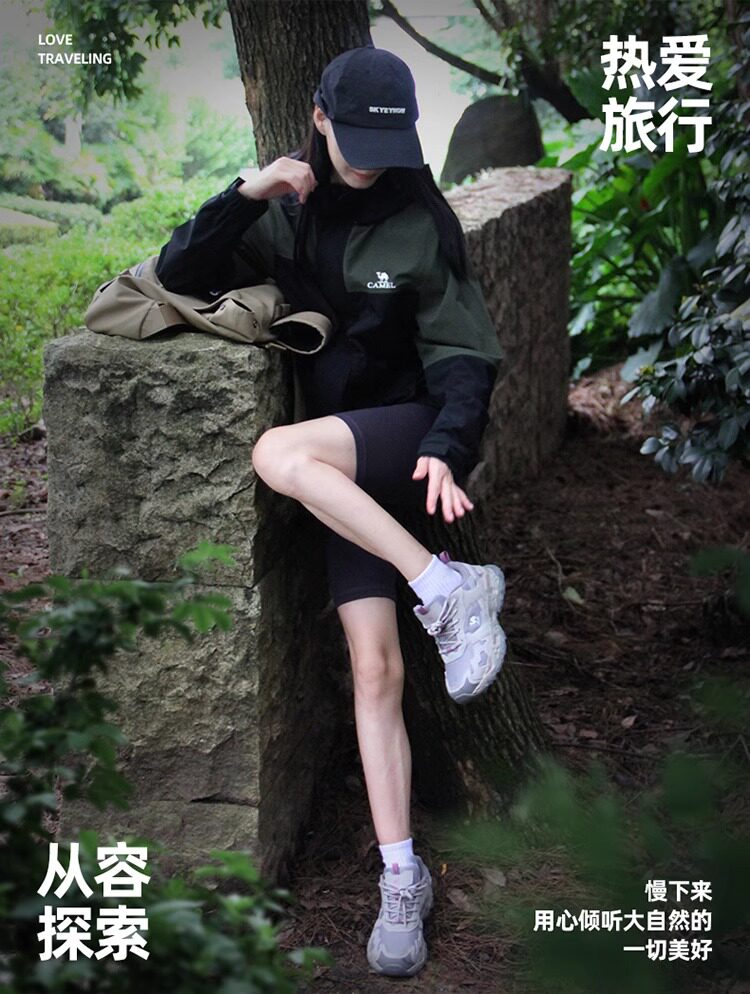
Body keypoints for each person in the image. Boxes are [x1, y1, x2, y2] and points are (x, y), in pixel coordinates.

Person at [155, 44, 507, 978]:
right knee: (374, 666)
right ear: (317, 118)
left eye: (386, 148)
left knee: (277, 452)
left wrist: (447, 445)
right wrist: (249, 191)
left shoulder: (420, 221)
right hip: (341, 484)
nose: (369, 164)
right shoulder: (287, 214)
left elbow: (466, 358)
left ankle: (446, 587)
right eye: (353, 142)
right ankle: (402, 876)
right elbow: (180, 270)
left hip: (407, 444)